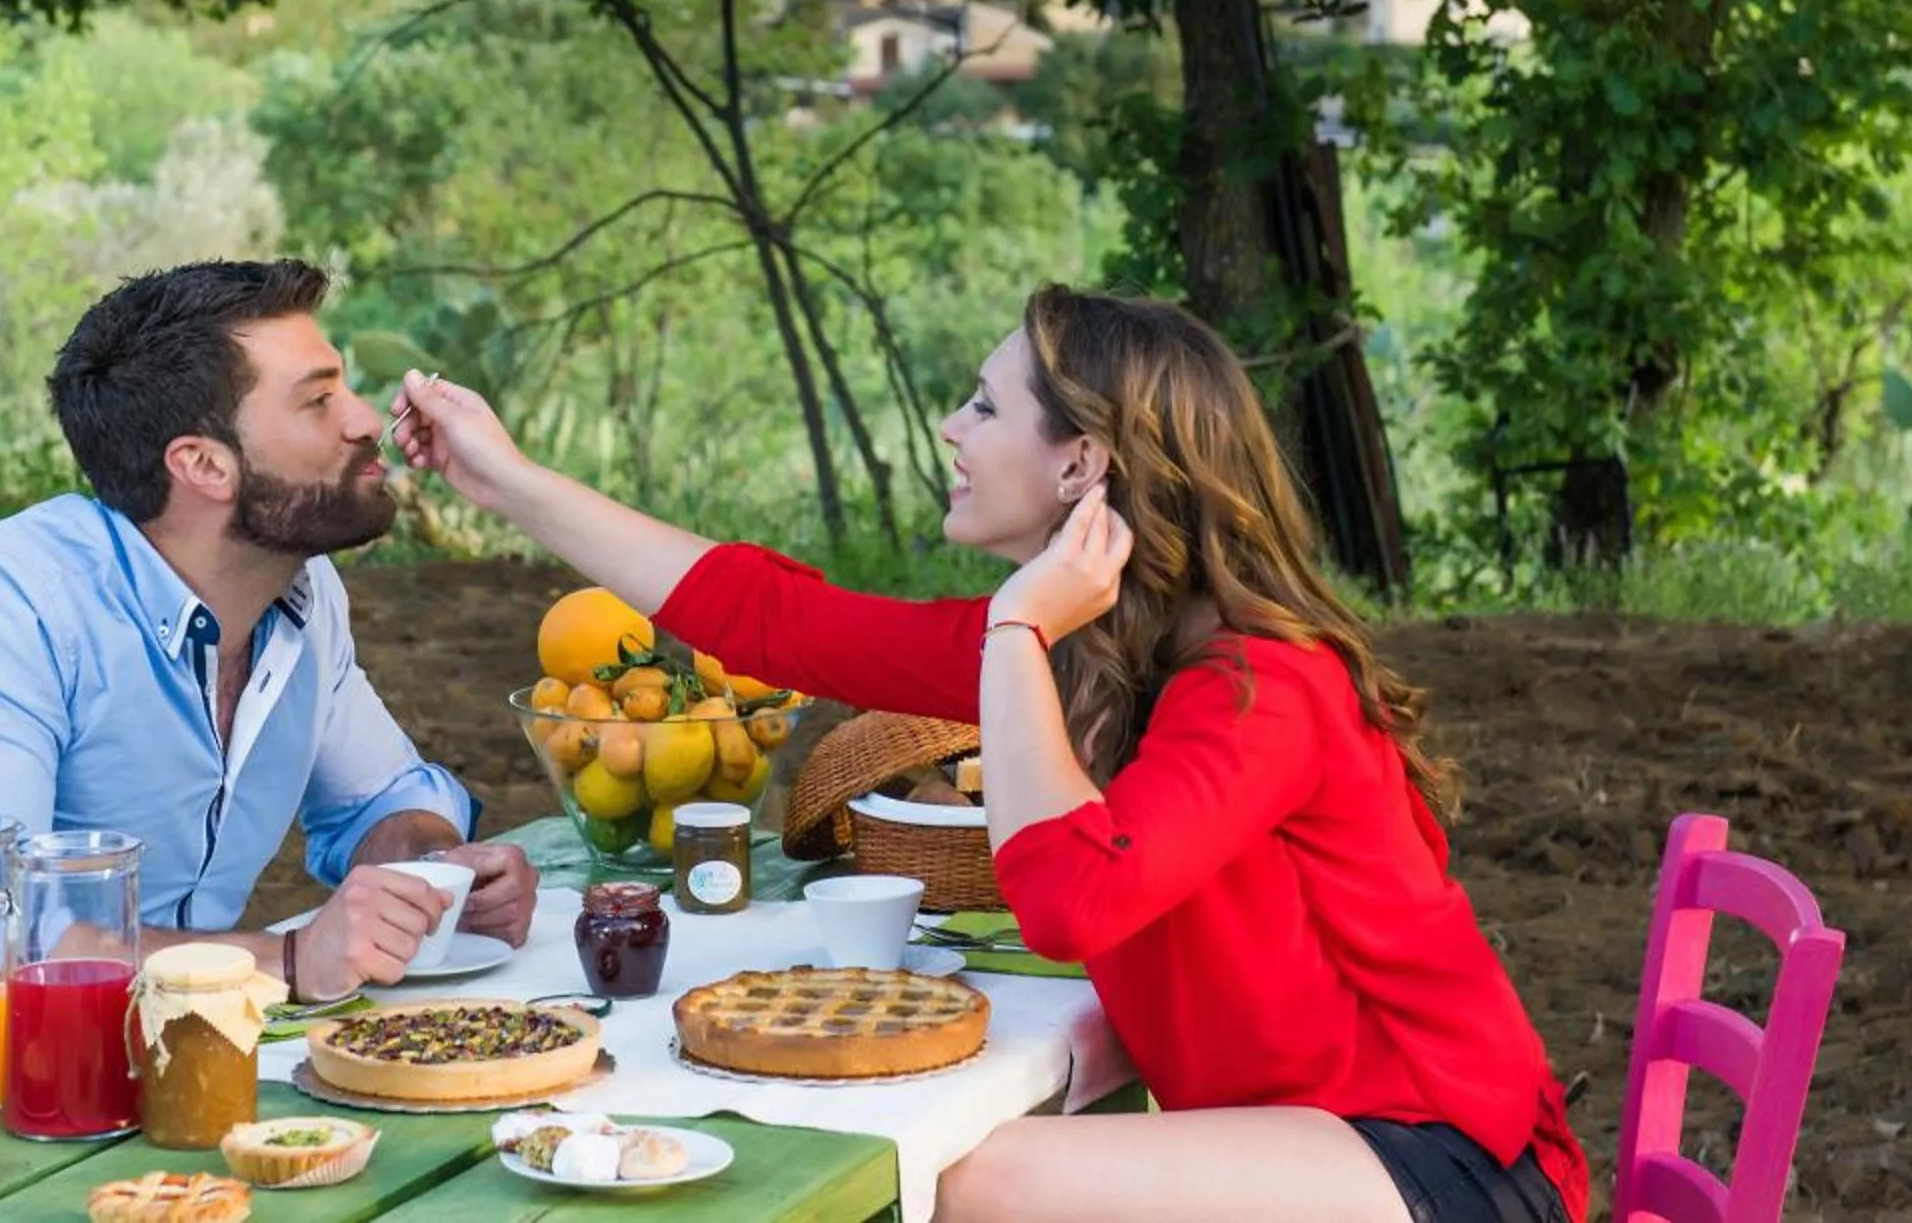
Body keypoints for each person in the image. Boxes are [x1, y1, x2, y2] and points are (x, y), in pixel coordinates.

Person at [392, 285, 1585, 1223]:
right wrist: (508, 481)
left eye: (983, 404)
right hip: (1314, 1135)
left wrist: (1018, 622)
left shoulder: (1264, 685)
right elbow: (775, 619)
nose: (953, 429)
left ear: (1082, 465)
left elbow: (1072, 896)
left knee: (981, 1185)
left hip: (1439, 1158)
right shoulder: (1105, 657)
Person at [0, 259, 535, 1111]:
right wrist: (290, 959)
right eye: (318, 400)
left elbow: (382, 797)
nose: (364, 422)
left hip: (136, 1087)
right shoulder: (6, 602)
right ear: (203, 464)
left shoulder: (301, 601)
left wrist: (430, 873)